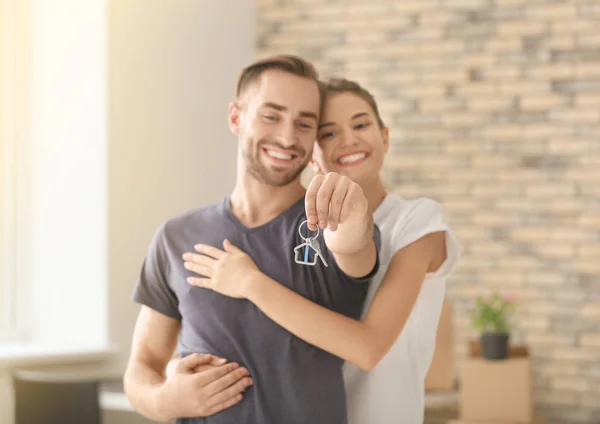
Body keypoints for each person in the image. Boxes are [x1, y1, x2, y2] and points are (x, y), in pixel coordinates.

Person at [184, 77, 461, 424]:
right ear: (312, 158)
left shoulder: (417, 221)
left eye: (360, 124)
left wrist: (250, 284)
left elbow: (368, 348)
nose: (348, 139)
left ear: (385, 137)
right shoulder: (295, 231)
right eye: (328, 133)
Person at [123, 56, 380, 424]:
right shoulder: (175, 237)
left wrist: (354, 212)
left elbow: (354, 243)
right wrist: (165, 401)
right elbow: (142, 365)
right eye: (271, 116)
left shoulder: (332, 225)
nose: (288, 137)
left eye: (304, 123)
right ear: (236, 118)